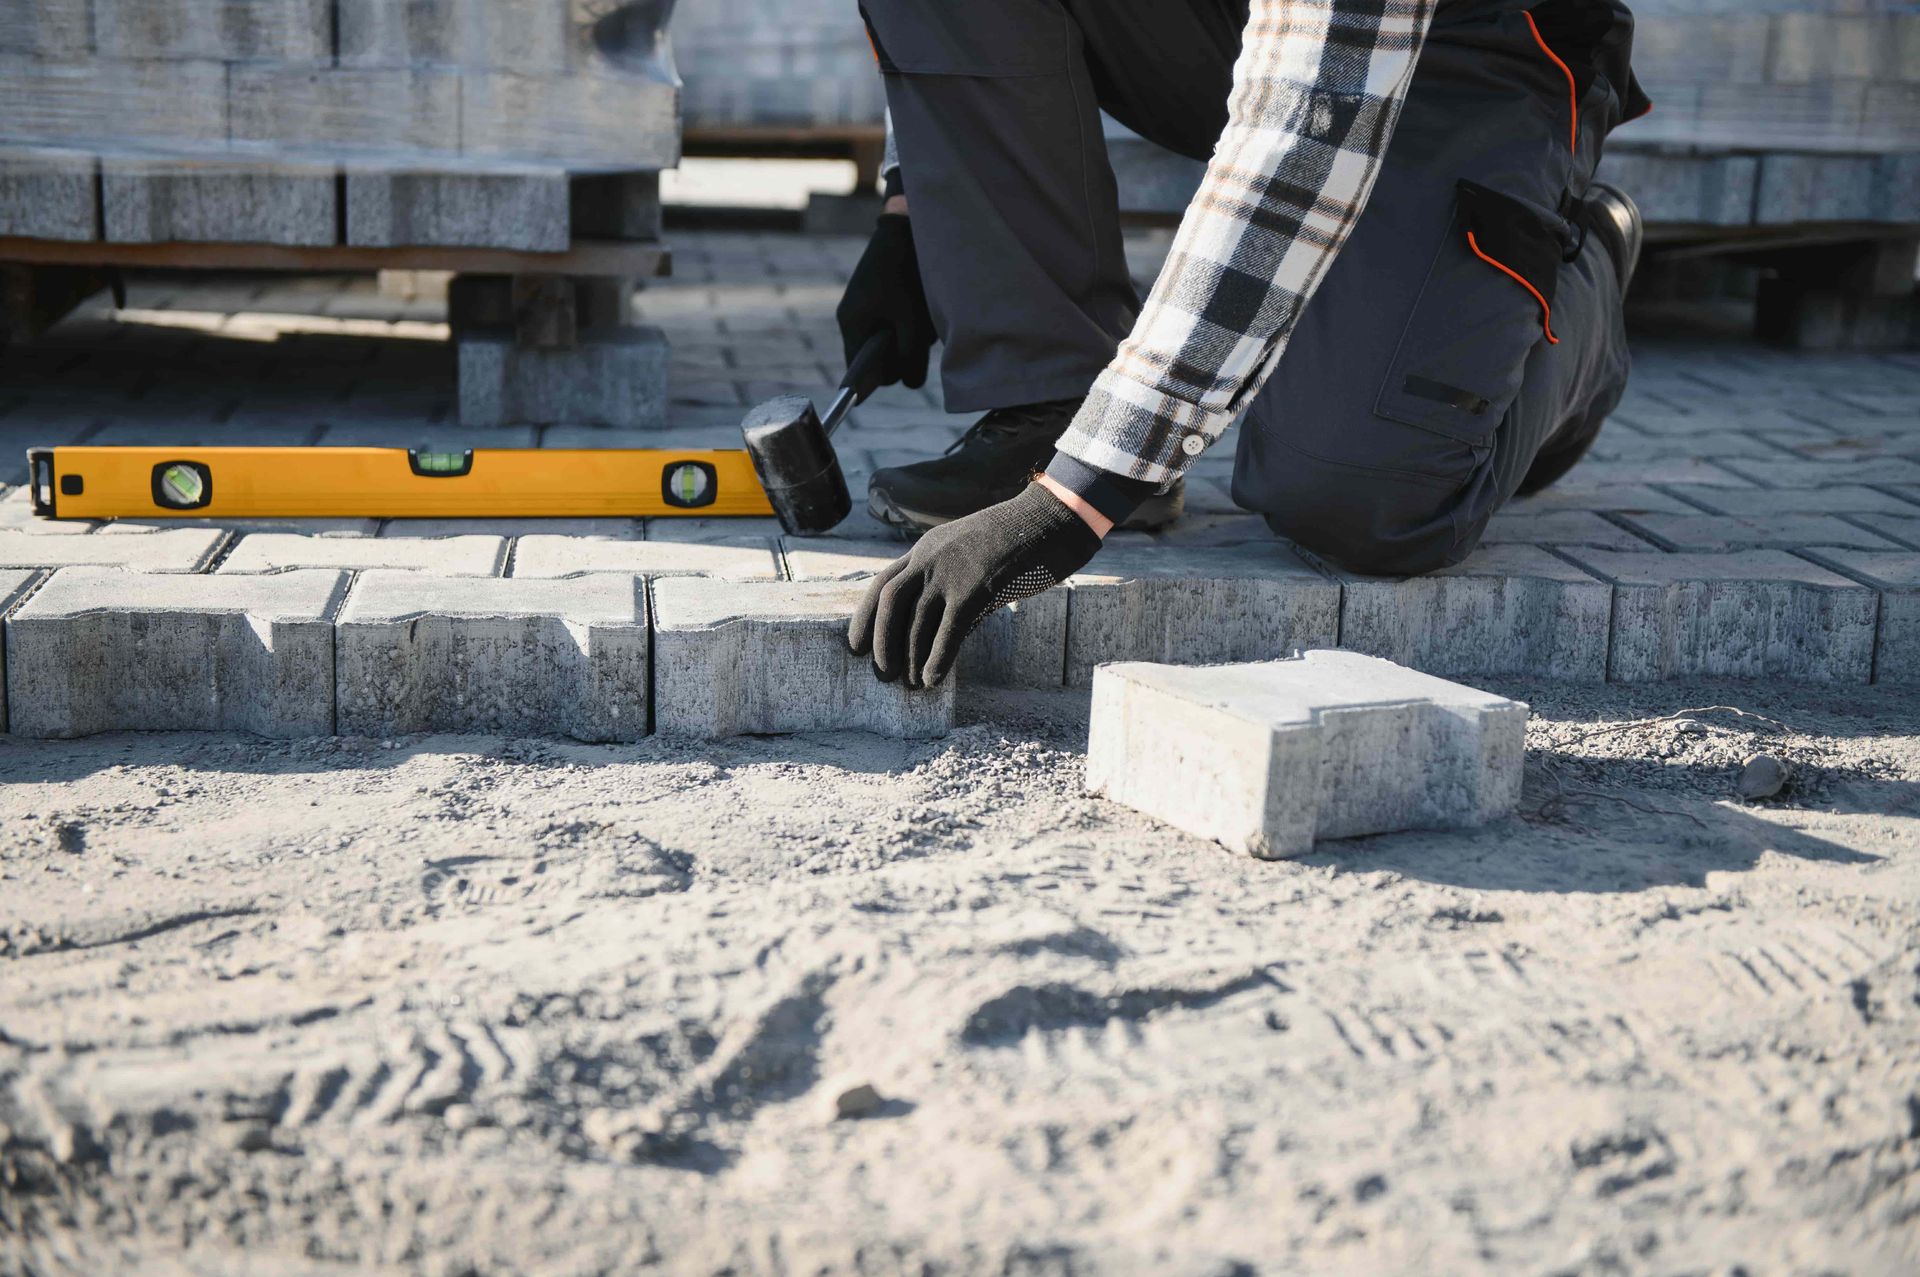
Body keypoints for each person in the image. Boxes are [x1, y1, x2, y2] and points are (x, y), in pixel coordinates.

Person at [839, 0, 1650, 689]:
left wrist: (1076, 499)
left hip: (1470, 55)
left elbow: (1308, 114)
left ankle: (1584, 279)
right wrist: (914, 203)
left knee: (1355, 495)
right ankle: (1052, 400)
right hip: (1239, 27)